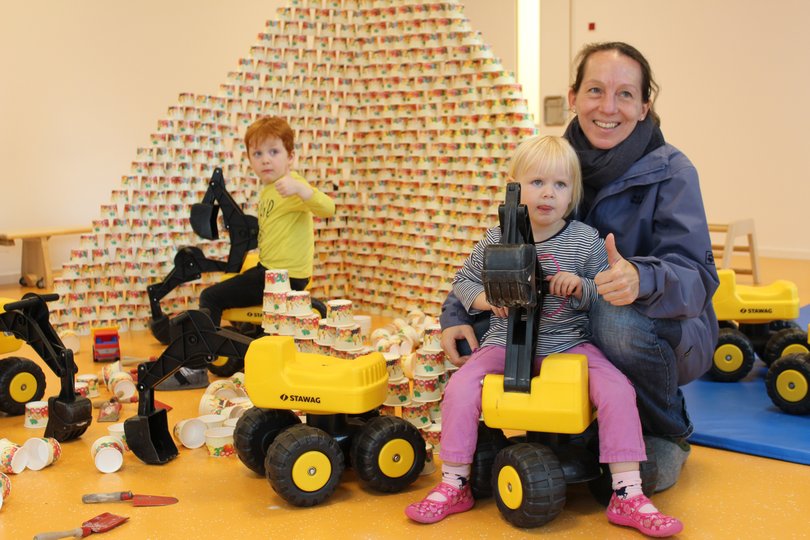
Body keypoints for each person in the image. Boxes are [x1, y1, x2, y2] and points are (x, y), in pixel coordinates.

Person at [439, 42, 719, 492]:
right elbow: (501, 251)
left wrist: (641, 278)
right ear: (572, 97)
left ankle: (664, 427)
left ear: (645, 105)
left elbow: (698, 276)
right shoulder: (548, 164)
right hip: (561, 323)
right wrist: (456, 313)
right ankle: (574, 428)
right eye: (595, 90)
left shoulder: (673, 171)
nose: (608, 107)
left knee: (611, 317)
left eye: (626, 94)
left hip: (663, 325)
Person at [406, 135, 683, 537]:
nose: (548, 194)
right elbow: (463, 281)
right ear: (515, 187)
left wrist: (581, 287)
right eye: (536, 183)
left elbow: (602, 291)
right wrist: (486, 299)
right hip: (503, 343)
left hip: (568, 344)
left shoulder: (585, 239)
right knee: (461, 387)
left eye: (559, 185)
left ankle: (628, 491)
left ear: (573, 193)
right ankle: (454, 483)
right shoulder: (496, 238)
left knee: (617, 390)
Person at [161, 116, 335, 389]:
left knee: (210, 296)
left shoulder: (291, 185)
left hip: (283, 277)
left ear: (291, 156)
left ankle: (196, 368)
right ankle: (238, 349)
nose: (265, 160)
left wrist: (302, 190)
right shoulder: (268, 190)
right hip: (270, 271)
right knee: (230, 290)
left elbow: (328, 208)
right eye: (258, 153)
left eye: (273, 152)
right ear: (250, 160)